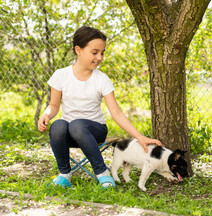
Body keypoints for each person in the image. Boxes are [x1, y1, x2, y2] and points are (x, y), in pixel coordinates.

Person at [37, 26, 161, 188]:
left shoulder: (101, 79)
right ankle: (64, 175)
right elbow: (53, 106)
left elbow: (116, 113)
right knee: (58, 125)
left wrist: (140, 137)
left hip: (95, 131)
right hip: (69, 132)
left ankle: (102, 173)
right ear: (78, 50)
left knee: (76, 125)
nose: (100, 57)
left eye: (102, 53)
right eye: (94, 52)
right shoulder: (61, 75)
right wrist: (46, 114)